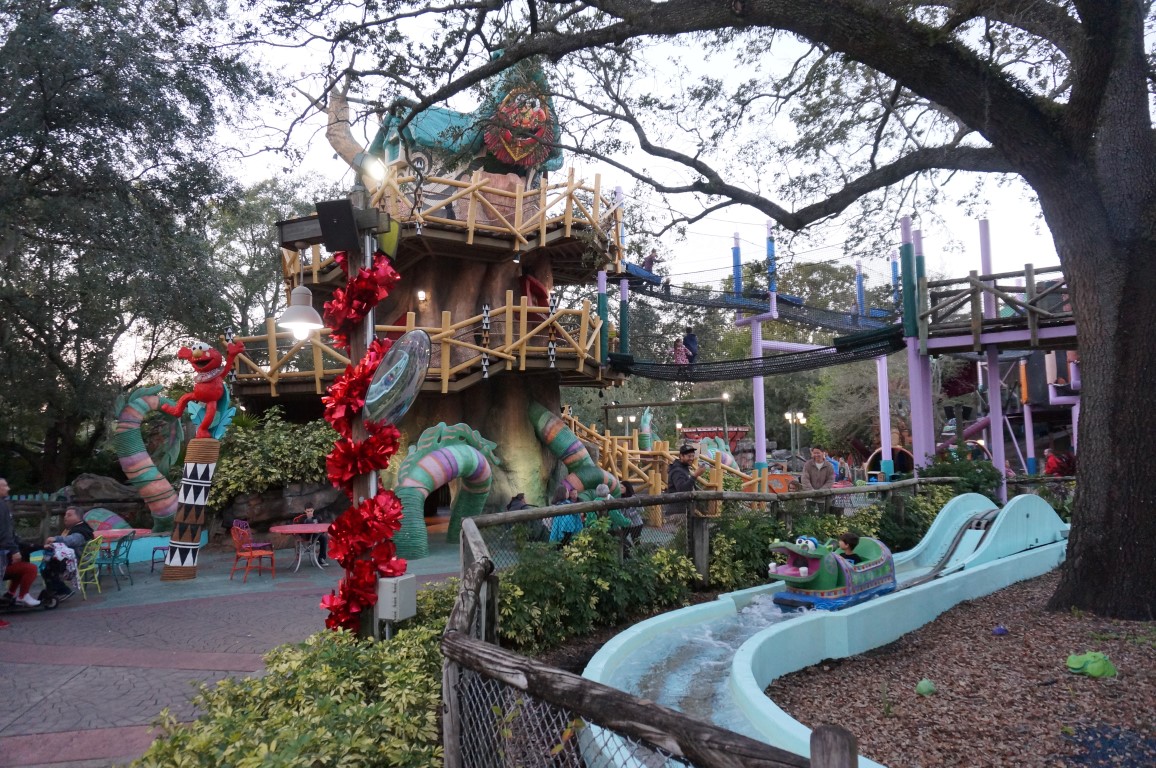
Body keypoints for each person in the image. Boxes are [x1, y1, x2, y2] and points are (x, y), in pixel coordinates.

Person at [42, 506, 95, 599]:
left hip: (78, 561)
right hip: (85, 559)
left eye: (69, 515)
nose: (65, 517)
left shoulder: (79, 532)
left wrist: (55, 539)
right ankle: (56, 590)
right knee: (50, 561)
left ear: (79, 517)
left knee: (47, 566)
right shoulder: (84, 527)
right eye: (65, 515)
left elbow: (71, 540)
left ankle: (61, 591)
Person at [665, 444, 706, 518]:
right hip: (677, 513)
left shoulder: (684, 468)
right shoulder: (677, 471)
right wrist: (695, 475)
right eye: (689, 456)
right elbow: (682, 489)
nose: (691, 458)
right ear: (681, 456)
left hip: (685, 510)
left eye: (693, 456)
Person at [802, 447, 836, 513]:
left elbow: (830, 480)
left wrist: (821, 491)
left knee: (822, 515)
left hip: (823, 497)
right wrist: (811, 491)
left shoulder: (829, 466)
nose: (816, 455)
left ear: (823, 453)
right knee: (809, 514)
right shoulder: (807, 464)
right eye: (814, 453)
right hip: (810, 497)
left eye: (818, 453)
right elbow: (805, 479)